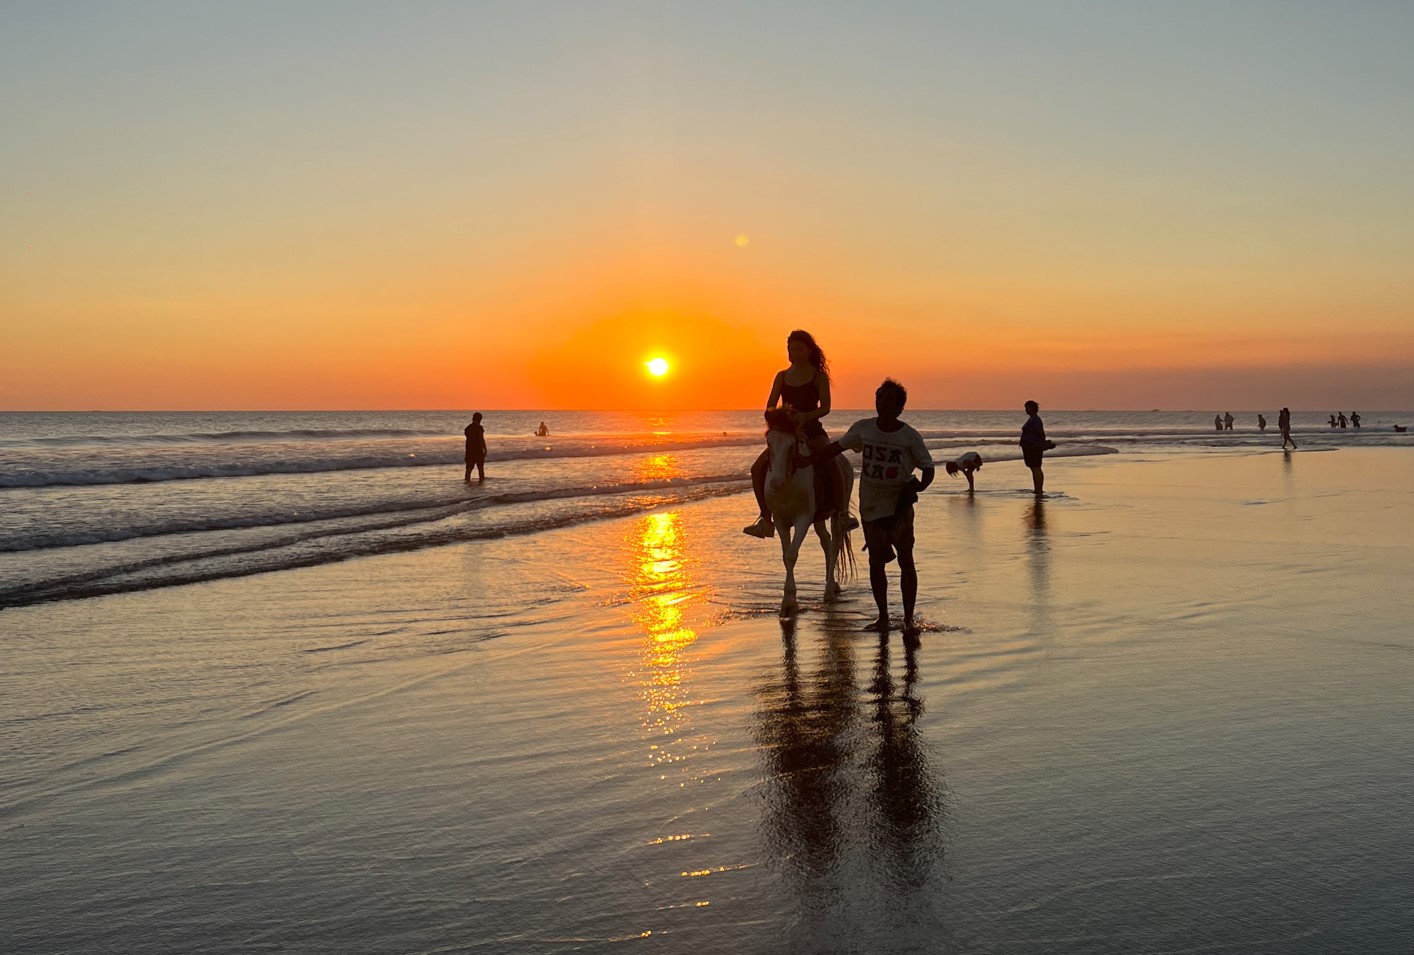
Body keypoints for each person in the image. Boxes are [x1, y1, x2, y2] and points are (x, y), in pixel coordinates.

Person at [803, 379, 935, 636]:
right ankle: (883, 617)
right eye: (879, 398)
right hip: (871, 507)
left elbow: (927, 466)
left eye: (889, 400)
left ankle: (908, 620)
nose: (882, 404)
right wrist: (807, 460)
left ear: (900, 407)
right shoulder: (863, 429)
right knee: (877, 562)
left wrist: (918, 487)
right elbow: (835, 449)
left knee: (906, 560)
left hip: (899, 507)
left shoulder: (909, 436)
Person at [743, 329, 853, 538]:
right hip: (786, 433)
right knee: (757, 468)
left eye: (800, 349)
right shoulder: (782, 376)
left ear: (809, 351)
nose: (795, 352)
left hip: (812, 431)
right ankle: (765, 519)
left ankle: (842, 513)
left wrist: (806, 416)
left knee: (834, 464)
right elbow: (770, 404)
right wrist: (775, 416)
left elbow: (826, 407)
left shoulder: (818, 377)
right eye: (792, 349)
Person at [1021, 400, 1056, 496]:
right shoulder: (1032, 419)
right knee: (1033, 468)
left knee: (1036, 468)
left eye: (1027, 407)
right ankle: (1037, 488)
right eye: (1025, 407)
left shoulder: (1035, 420)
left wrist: (1041, 444)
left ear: (1033, 408)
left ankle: (1039, 489)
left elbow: (1041, 433)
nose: (1026, 410)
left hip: (1034, 447)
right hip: (1030, 447)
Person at [464, 413, 487, 483]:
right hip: (478, 450)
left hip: (469, 450)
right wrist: (485, 449)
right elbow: (481, 438)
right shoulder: (479, 427)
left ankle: (467, 482)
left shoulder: (467, 428)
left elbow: (468, 439)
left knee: (469, 468)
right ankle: (481, 482)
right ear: (480, 419)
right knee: (480, 468)